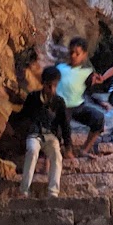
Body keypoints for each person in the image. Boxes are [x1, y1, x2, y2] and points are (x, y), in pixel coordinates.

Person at [19, 65, 71, 196]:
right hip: (34, 134)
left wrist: (68, 146)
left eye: (55, 85)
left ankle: (53, 191)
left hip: (50, 135)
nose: (52, 89)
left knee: (56, 154)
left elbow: (65, 125)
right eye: (50, 85)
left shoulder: (59, 102)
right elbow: (23, 116)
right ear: (44, 84)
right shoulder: (33, 98)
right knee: (32, 150)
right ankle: (24, 190)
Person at [56, 37, 106, 156]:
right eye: (71, 52)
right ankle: (65, 151)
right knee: (62, 125)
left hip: (78, 106)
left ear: (84, 55)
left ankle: (85, 149)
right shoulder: (60, 68)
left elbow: (89, 91)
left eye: (77, 53)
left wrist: (99, 102)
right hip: (62, 107)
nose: (73, 56)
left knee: (98, 118)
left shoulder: (87, 72)